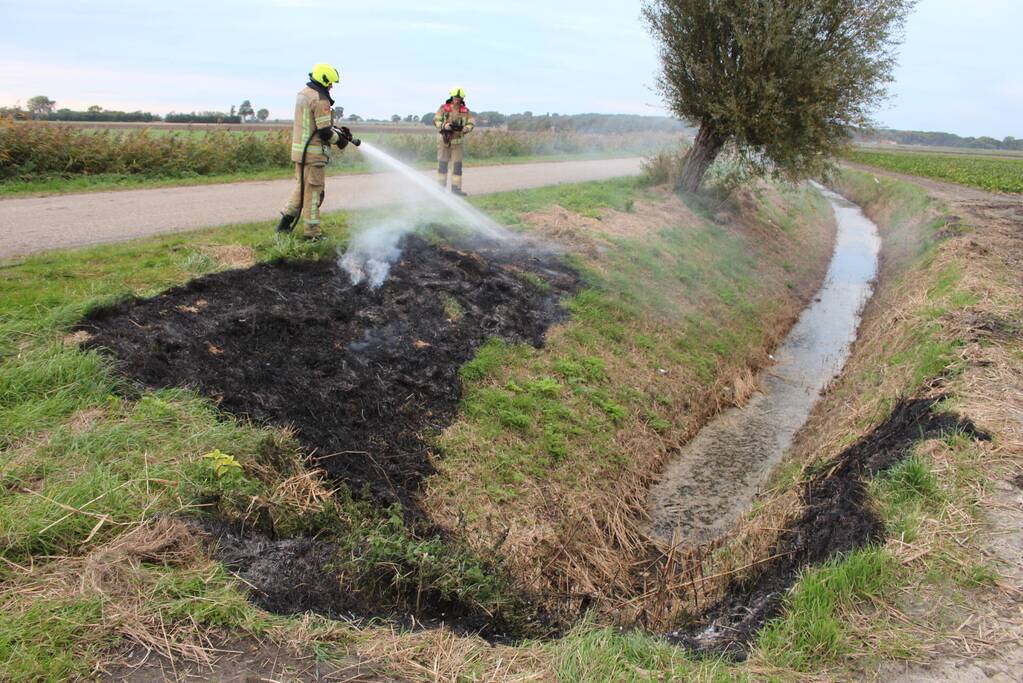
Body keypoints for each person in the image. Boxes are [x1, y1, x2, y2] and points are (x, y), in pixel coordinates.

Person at [276, 63, 351, 239]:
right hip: (313, 155)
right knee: (314, 194)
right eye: (330, 83)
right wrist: (339, 139)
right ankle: (312, 234)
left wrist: (337, 131)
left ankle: (284, 225)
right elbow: (324, 132)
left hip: (300, 152)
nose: (331, 87)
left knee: (302, 190)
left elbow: (314, 124)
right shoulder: (320, 99)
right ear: (323, 80)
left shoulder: (303, 94)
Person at [433, 87, 476, 196]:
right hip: (444, 141)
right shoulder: (443, 108)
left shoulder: (466, 111)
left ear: (462, 99)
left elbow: (471, 123)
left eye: (459, 98)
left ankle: (456, 190)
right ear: (452, 97)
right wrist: (444, 125)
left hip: (457, 144)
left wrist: (466, 128)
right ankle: (440, 190)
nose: (457, 100)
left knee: (457, 167)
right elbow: (436, 120)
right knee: (442, 166)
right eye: (455, 97)